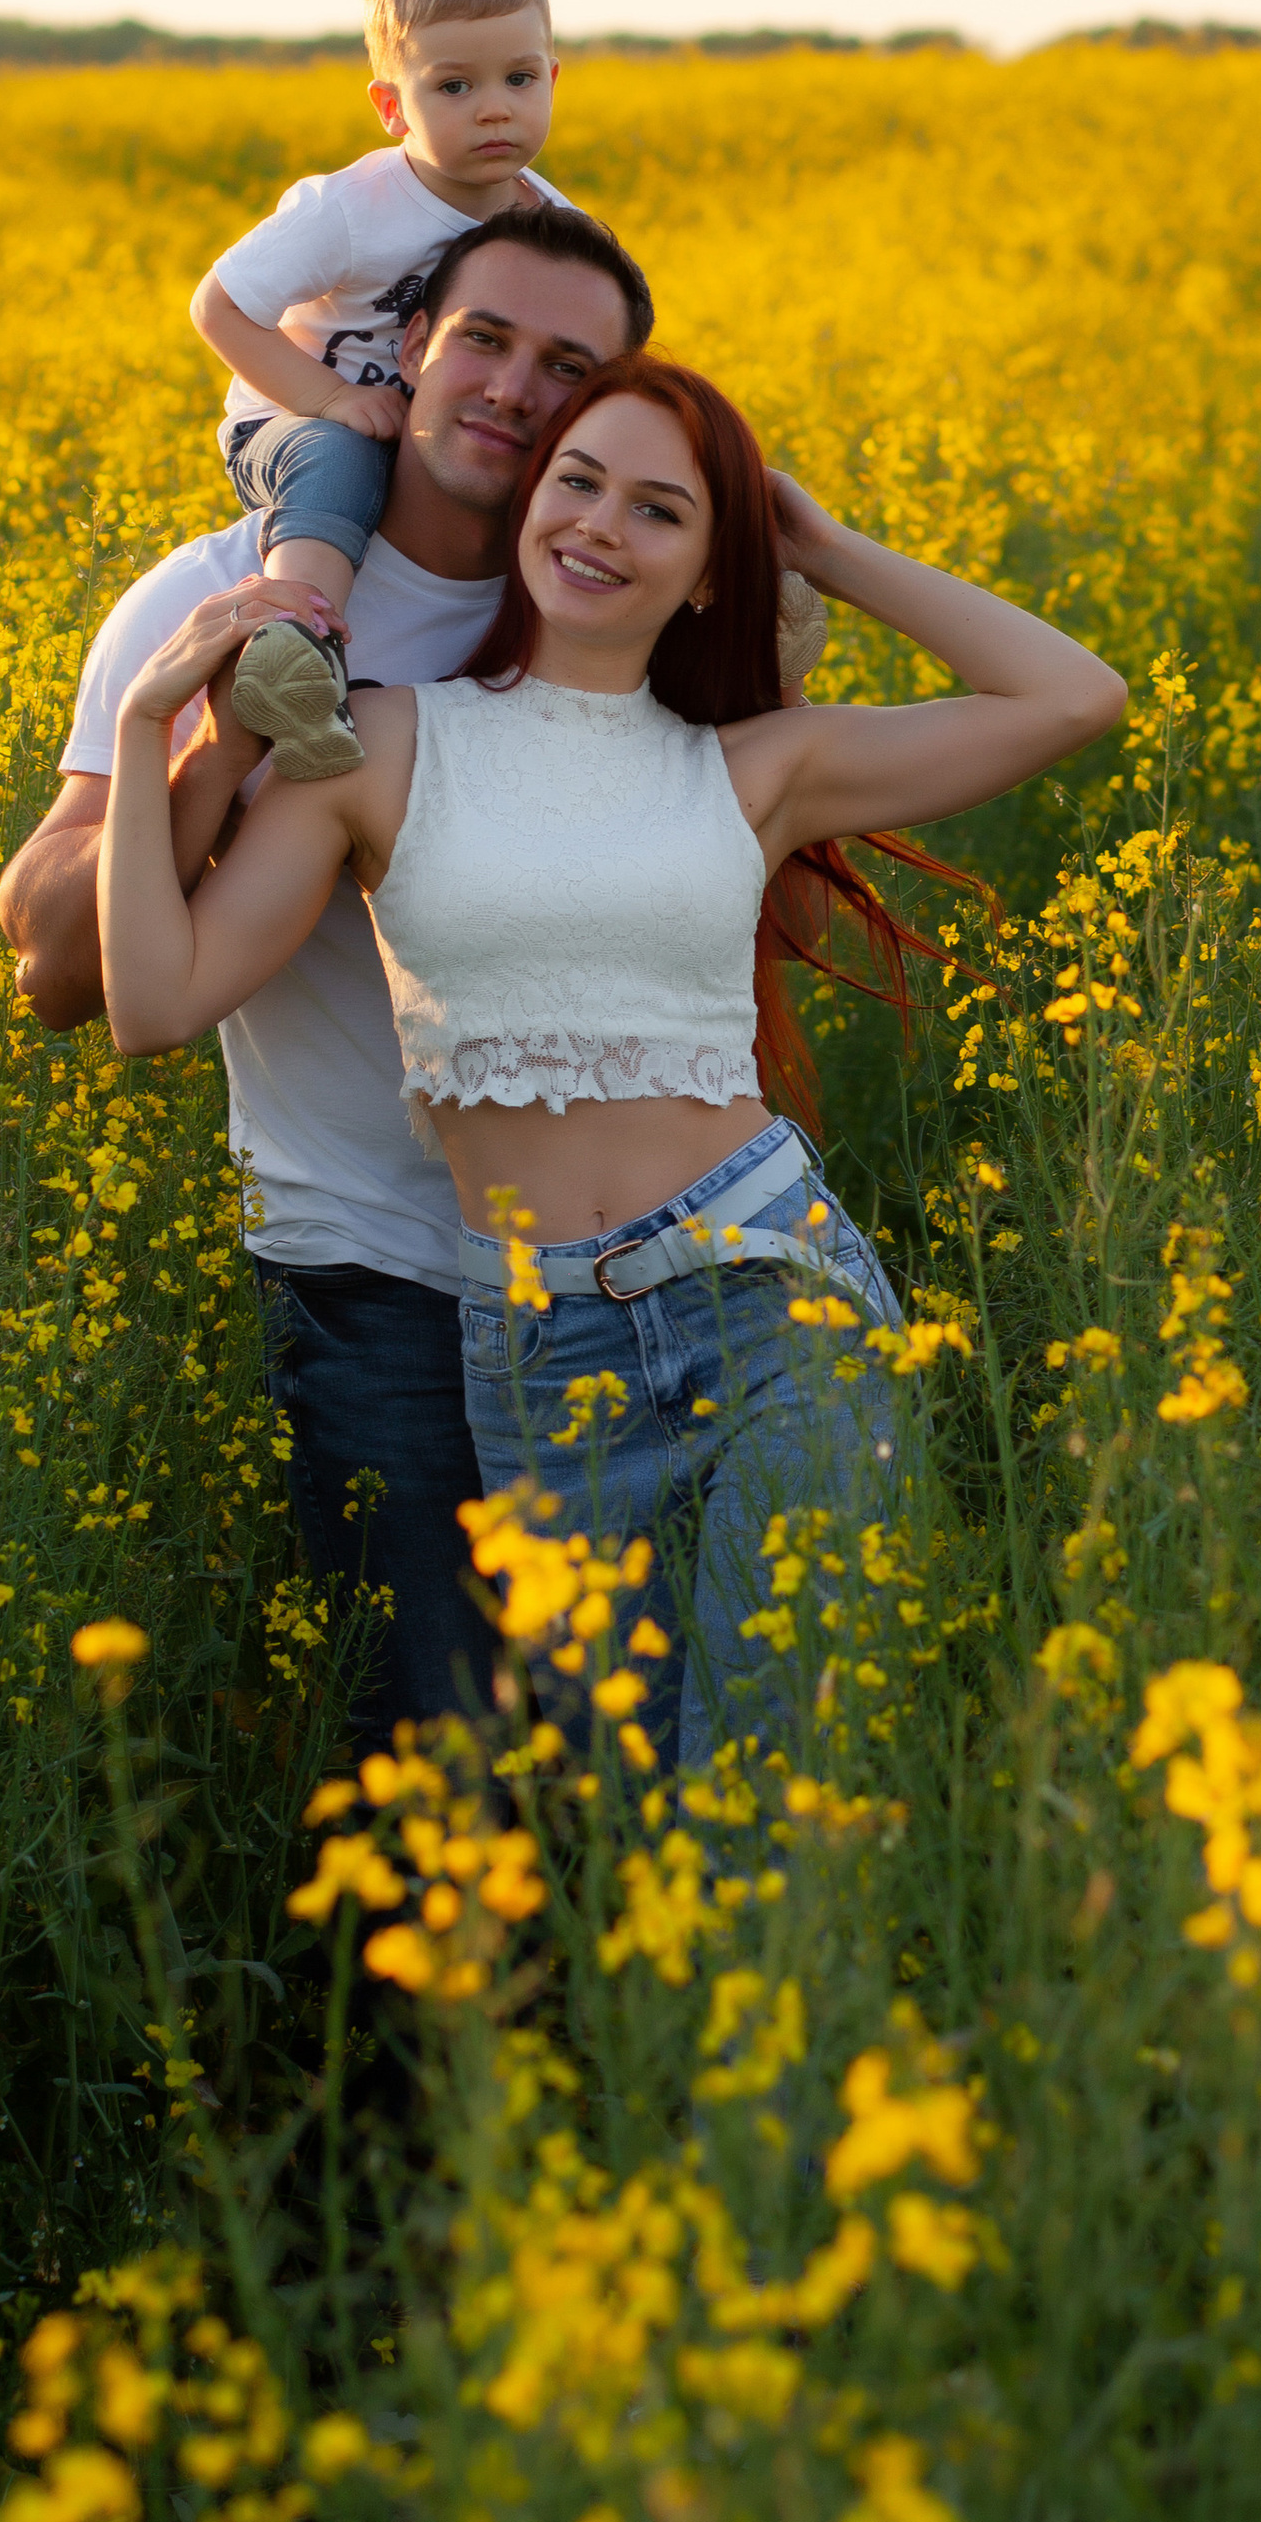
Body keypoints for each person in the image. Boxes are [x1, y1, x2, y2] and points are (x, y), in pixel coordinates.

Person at [93, 351, 1129, 1771]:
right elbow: (154, 1001)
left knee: (770, 1802)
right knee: (629, 1832)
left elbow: (1073, 697)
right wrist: (153, 723)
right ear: (530, 505)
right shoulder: (377, 742)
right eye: (576, 482)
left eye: (660, 510)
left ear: (711, 572)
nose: (597, 525)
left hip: (769, 1299)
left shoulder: (757, 767)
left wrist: (819, 545)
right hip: (536, 1351)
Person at [0, 200, 654, 1743]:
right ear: (410, 350)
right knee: (432, 1772)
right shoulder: (214, 587)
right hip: (377, 1276)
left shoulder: (611, 593)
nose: (508, 386)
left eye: (566, 366)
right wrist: (223, 746)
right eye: (482, 339)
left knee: (627, 1776)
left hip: (630, 1277)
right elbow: (50, 965)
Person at [187, 0, 567, 783]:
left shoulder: (554, 222)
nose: (495, 108)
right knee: (343, 459)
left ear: (553, 78)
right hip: (293, 423)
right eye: (454, 87)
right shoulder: (351, 210)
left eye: (519, 78)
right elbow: (219, 306)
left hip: (441, 434)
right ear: (392, 108)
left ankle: (724, 597)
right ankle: (296, 649)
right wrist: (327, 399)